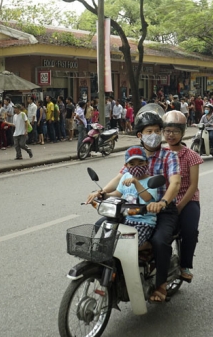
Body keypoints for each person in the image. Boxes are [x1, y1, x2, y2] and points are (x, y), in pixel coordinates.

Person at [86, 111, 181, 303]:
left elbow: (175, 183)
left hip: (160, 208)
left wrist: (162, 202)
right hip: (132, 208)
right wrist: (101, 192)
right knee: (101, 225)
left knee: (160, 241)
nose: (153, 134)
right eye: (149, 131)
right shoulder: (134, 155)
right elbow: (120, 178)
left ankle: (161, 284)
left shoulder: (168, 156)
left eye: (156, 131)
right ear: (140, 135)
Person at [162, 111, 203, 282]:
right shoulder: (160, 153)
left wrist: (179, 207)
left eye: (175, 131)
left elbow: (193, 186)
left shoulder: (191, 156)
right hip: (164, 199)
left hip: (187, 200)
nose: (170, 135)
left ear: (183, 133)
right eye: (167, 131)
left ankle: (185, 265)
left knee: (189, 230)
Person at [100, 146, 157, 250]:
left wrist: (136, 182)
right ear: (126, 165)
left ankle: (149, 246)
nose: (137, 167)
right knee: (108, 241)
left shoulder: (151, 181)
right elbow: (118, 193)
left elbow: (147, 197)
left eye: (140, 163)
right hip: (126, 219)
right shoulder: (125, 176)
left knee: (131, 246)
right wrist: (105, 195)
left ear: (147, 163)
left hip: (144, 222)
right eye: (132, 164)